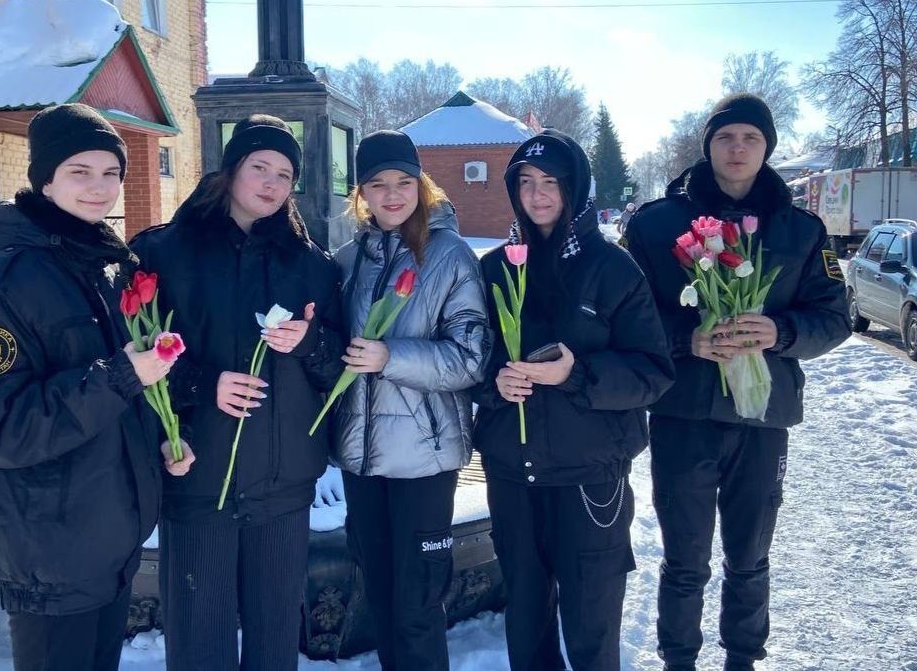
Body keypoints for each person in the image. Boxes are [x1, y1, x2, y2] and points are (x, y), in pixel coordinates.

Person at [0, 103, 194, 671]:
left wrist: (160, 441)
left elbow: (116, 399)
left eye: (111, 173)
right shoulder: (4, 284)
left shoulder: (98, 266)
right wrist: (121, 375)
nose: (99, 188)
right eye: (80, 171)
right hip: (48, 547)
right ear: (44, 178)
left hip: (102, 537)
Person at [623, 93, 851, 671]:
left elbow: (834, 318)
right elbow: (627, 316)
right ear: (708, 145)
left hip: (762, 418)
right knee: (684, 559)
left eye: (751, 138)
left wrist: (780, 331)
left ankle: (743, 659)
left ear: (767, 147)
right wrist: (687, 340)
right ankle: (678, 659)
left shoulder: (800, 229)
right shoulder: (655, 224)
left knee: (749, 556)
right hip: (683, 416)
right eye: (725, 137)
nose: (738, 148)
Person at [130, 114, 345, 671]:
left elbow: (337, 372)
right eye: (260, 168)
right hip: (200, 479)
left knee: (276, 640)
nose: (272, 184)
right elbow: (132, 357)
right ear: (231, 171)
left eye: (284, 174)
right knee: (201, 638)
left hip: (282, 486)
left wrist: (309, 342)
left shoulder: (312, 267)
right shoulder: (165, 255)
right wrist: (202, 383)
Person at [474, 131, 674, 671]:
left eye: (551, 184)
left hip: (589, 477)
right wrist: (493, 383)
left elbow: (654, 372)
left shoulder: (612, 269)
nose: (537, 195)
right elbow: (466, 358)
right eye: (526, 183)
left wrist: (577, 373)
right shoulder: (495, 268)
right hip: (513, 473)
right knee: (527, 620)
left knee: (591, 624)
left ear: (575, 189)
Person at [330, 130, 490, 671]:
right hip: (362, 457)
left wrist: (388, 356)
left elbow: (470, 357)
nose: (393, 195)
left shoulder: (450, 256)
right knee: (379, 595)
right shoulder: (349, 259)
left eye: (405, 182)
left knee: (418, 604)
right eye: (378, 184)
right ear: (362, 194)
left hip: (424, 456)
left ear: (422, 187)